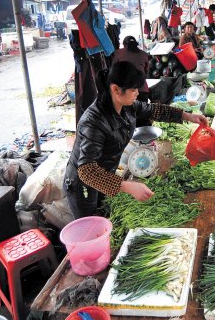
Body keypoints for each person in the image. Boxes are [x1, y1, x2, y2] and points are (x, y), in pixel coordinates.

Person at [64, 61, 207, 219]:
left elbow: (154, 110)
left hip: (106, 173)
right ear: (116, 89)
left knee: (106, 213)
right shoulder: (93, 123)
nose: (137, 93)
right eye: (133, 90)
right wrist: (127, 186)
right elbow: (87, 171)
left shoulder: (126, 106)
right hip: (82, 186)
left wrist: (188, 116)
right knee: (91, 223)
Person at [112, 36, 150, 102]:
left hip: (126, 91)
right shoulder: (144, 54)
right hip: (142, 89)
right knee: (143, 111)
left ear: (124, 45)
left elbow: (113, 72)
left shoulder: (118, 53)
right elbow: (146, 72)